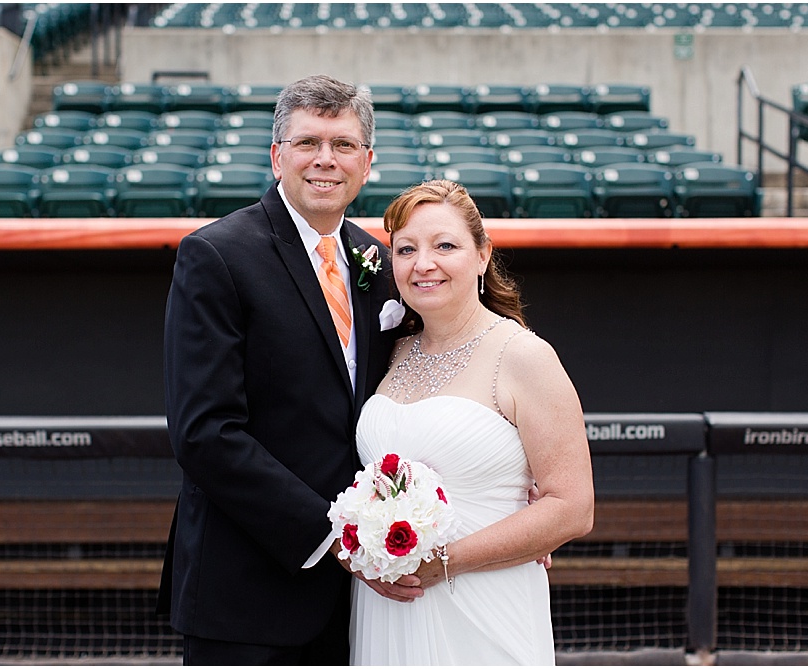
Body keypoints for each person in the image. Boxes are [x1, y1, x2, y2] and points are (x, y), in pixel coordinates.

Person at [158, 74, 407, 665]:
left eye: (344, 145)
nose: (326, 160)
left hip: (363, 603)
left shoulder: (378, 259)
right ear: (277, 155)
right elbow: (206, 433)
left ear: (367, 162)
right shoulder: (216, 255)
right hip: (249, 592)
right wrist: (334, 538)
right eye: (308, 143)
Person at [349, 179, 595, 665]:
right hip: (387, 607)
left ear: (482, 256)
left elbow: (572, 507)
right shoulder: (390, 351)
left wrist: (443, 563)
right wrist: (362, 547)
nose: (424, 264)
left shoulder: (523, 355)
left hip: (483, 602)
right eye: (406, 249)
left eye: (445, 246)